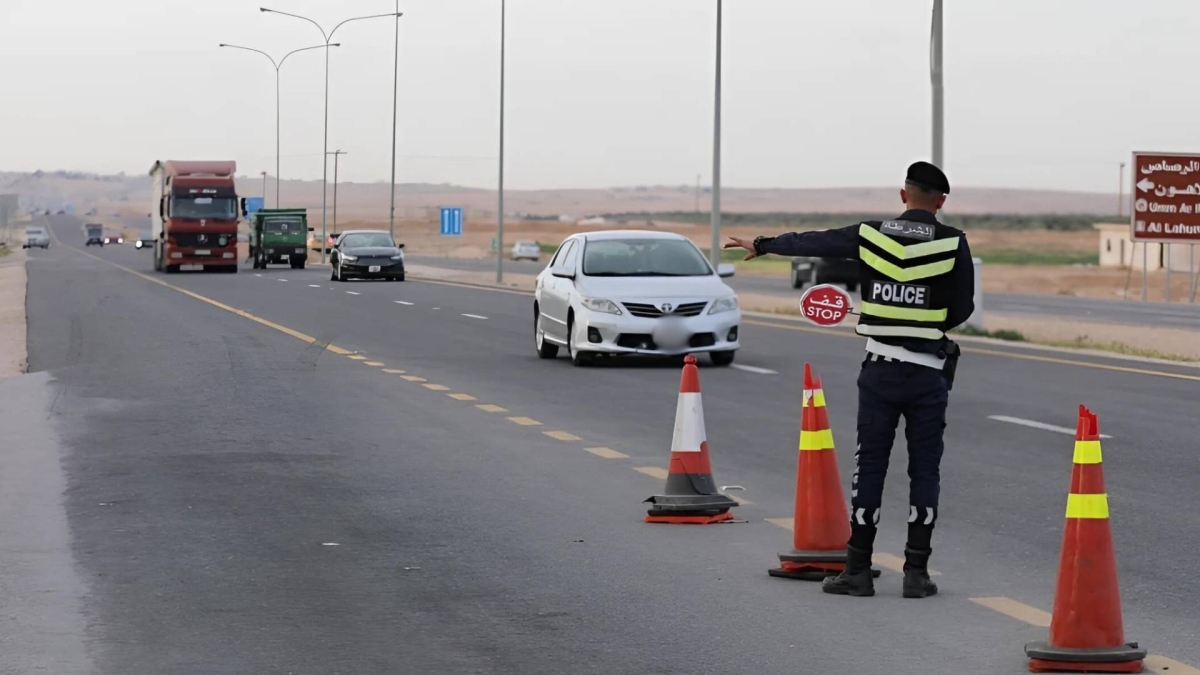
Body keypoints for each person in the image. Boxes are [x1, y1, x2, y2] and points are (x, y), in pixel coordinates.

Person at [725, 161, 974, 599]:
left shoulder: (870, 234)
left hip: (880, 371)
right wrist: (926, 321)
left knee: (870, 466)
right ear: (941, 202)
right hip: (929, 373)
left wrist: (764, 244)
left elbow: (814, 242)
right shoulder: (953, 243)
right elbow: (962, 308)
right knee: (925, 470)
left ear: (903, 195)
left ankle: (857, 570)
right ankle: (917, 574)